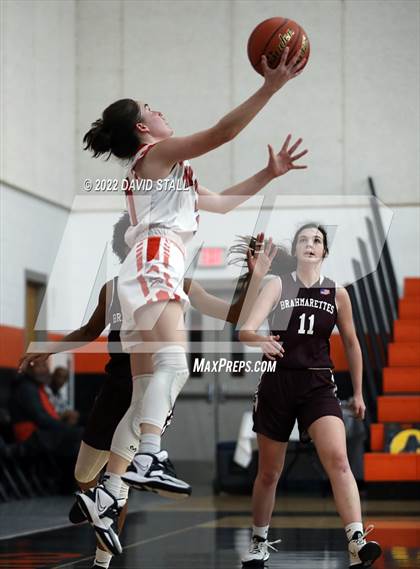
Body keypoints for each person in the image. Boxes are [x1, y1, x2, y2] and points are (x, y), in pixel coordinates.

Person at [78, 48, 308, 556]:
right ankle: (149, 457)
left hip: (151, 263)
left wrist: (267, 174)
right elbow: (222, 133)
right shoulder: (154, 157)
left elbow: (222, 202)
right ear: (142, 129)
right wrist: (271, 87)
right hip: (158, 259)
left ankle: (109, 492)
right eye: (151, 107)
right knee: (175, 365)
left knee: (144, 395)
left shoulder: (174, 172)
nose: (160, 110)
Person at [19, 212, 277, 568]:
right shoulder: (114, 288)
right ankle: (98, 506)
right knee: (84, 477)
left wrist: (253, 274)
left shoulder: (180, 286)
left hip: (148, 391)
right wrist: (49, 347)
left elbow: (235, 313)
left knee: (119, 484)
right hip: (113, 389)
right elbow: (89, 330)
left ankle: (102, 562)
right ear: (127, 249)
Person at [238, 224, 382, 568]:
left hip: (318, 384)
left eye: (317, 240)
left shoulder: (338, 294)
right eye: (303, 239)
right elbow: (245, 330)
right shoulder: (277, 284)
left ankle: (355, 540)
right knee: (269, 472)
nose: (310, 244)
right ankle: (258, 541)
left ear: (324, 252)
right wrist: (262, 341)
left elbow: (351, 342)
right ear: (296, 249)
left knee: (339, 459)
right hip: (278, 383)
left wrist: (359, 392)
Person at [10, 360, 82, 492]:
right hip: (30, 436)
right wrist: (64, 427)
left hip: (40, 433)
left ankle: (68, 484)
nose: (45, 370)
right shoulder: (26, 388)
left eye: (45, 366)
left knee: (76, 438)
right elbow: (41, 419)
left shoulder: (35, 387)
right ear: (29, 369)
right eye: (41, 366)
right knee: (77, 435)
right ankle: (68, 486)